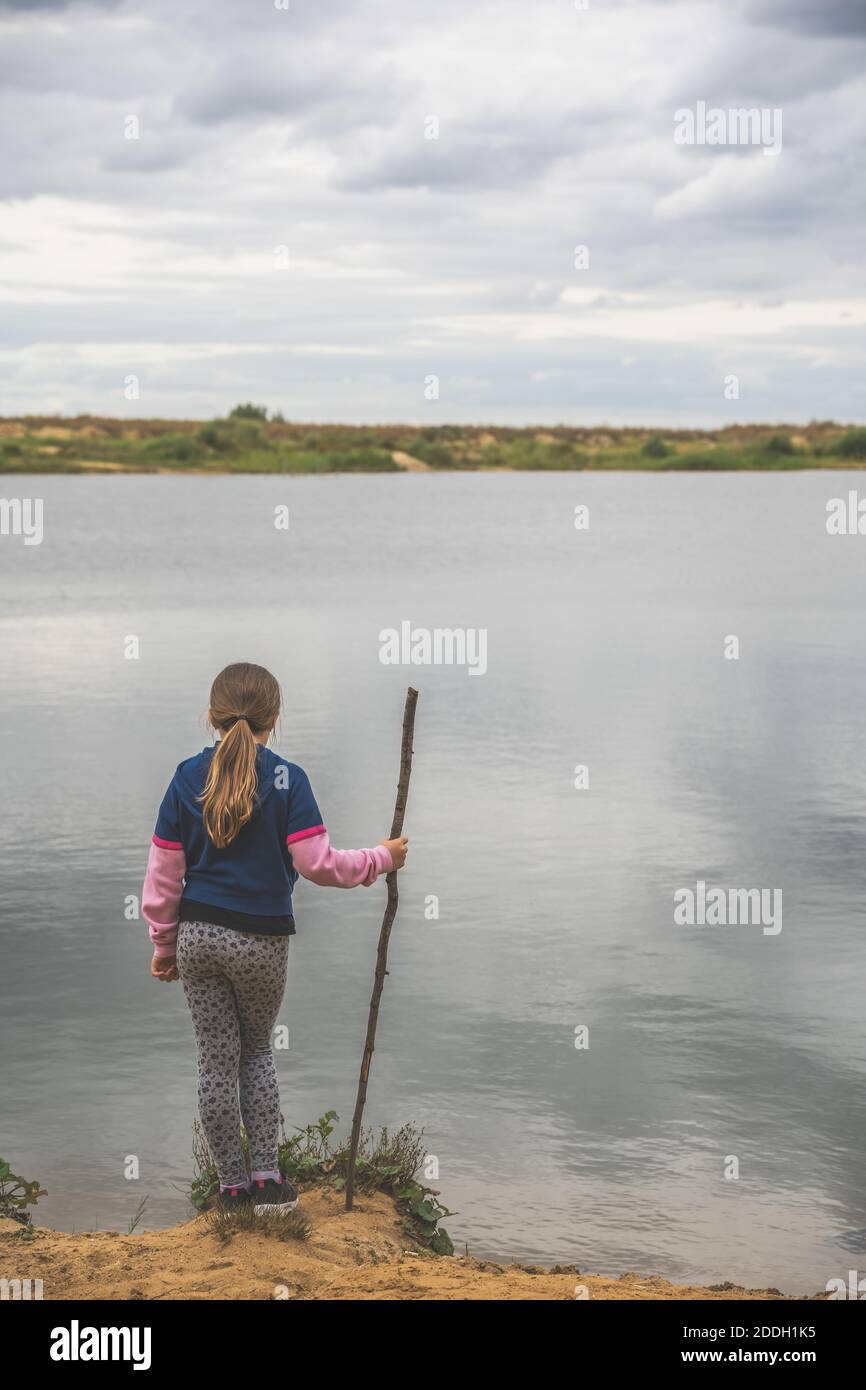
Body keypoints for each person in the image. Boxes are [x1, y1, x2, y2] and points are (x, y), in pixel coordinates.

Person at [141, 661, 408, 1214]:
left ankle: (229, 1190)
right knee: (257, 1050)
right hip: (260, 940)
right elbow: (318, 864)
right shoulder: (289, 780)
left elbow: (164, 872)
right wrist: (381, 858)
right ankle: (267, 1184)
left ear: (212, 715)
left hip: (198, 938)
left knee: (216, 1060)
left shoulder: (188, 776)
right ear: (276, 716)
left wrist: (164, 945)